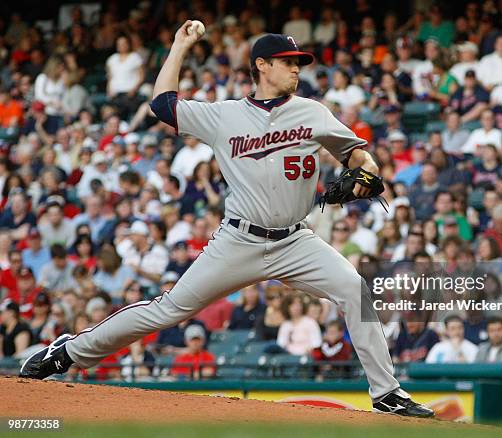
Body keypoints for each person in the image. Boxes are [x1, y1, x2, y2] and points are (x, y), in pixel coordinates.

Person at [19, 28, 434, 418]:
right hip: (239, 240)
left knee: (354, 291)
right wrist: (180, 46)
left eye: (298, 62)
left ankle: (387, 394)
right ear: (261, 66)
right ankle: (69, 352)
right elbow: (162, 104)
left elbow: (360, 157)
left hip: (296, 241)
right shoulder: (224, 116)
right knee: (166, 311)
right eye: (287, 61)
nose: (295, 68)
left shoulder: (313, 112)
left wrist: (366, 173)